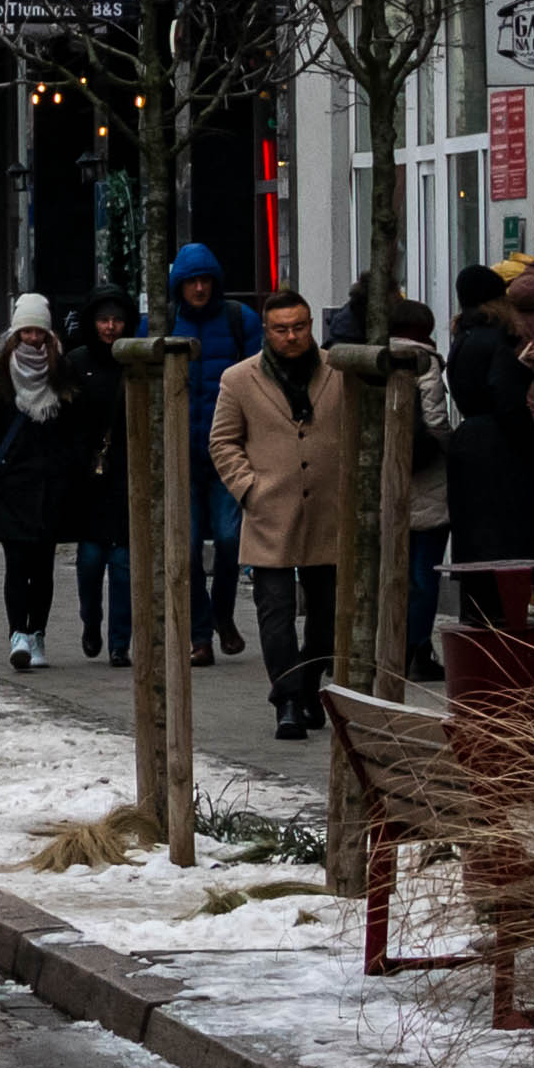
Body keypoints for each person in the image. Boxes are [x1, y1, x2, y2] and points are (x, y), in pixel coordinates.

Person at [209, 290, 350, 740]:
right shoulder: (240, 379)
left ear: (311, 325)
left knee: (327, 616)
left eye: (300, 327)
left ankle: (309, 683)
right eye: (282, 329)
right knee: (276, 612)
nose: (292, 336)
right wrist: (249, 488)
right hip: (270, 511)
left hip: (329, 512)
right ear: (266, 331)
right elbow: (223, 441)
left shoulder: (339, 371)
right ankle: (286, 700)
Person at [0, 293, 106, 671]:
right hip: (12, 486)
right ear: (15, 333)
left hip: (52, 486)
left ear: (47, 333)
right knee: (16, 564)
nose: (31, 338)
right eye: (25, 331)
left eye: (37, 331)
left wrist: (68, 466)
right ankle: (18, 635)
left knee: (42, 566)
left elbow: (79, 426)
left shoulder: (62, 372)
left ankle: (38, 633)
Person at [168, 244, 258, 660]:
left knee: (228, 541)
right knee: (185, 551)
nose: (200, 288)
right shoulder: (163, 325)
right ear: (179, 286)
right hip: (180, 455)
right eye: (192, 282)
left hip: (227, 453)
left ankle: (223, 613)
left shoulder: (240, 321)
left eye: (205, 281)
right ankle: (200, 635)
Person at [446, 259, 534, 627]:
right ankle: (501, 614)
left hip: (467, 441)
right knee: (503, 532)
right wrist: (521, 369)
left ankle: (475, 608)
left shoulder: (463, 337)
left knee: (473, 533)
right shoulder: (497, 339)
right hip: (497, 445)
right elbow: (504, 396)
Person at [73, 289, 144, 657]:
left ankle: (119, 645)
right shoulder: (77, 362)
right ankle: (90, 621)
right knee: (89, 562)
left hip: (127, 475)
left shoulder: (136, 363)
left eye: (117, 320)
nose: (111, 327)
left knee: (122, 566)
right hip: (88, 478)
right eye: (104, 320)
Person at [388, 291, 454, 685]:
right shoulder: (424, 360)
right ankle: (417, 649)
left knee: (393, 570)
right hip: (427, 481)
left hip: (386, 480)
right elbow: (435, 420)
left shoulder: (367, 358)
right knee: (423, 572)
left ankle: (390, 647)